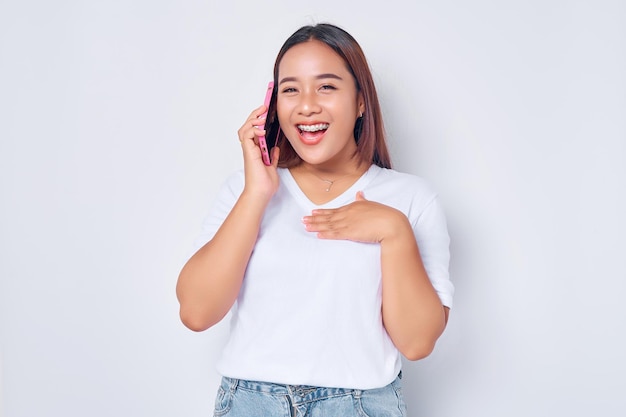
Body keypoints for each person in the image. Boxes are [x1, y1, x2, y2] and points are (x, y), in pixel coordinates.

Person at [176, 23, 454, 417]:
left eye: (326, 87)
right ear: (273, 103)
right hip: (249, 404)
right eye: (291, 89)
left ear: (361, 101)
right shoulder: (246, 189)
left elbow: (417, 342)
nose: (306, 105)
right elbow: (196, 312)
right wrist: (257, 194)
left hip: (359, 405)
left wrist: (394, 232)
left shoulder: (411, 198)